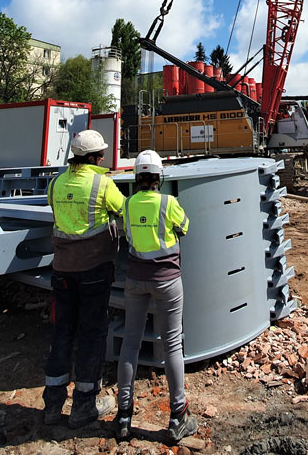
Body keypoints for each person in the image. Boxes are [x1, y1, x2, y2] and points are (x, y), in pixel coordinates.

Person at [43, 129, 124, 428]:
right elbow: (123, 210)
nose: (103, 158)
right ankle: (84, 407)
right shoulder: (102, 183)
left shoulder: (56, 183)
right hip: (93, 270)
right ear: (92, 157)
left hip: (62, 270)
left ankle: (52, 405)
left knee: (62, 331)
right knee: (91, 333)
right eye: (100, 154)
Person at [115, 150, 197, 444]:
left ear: (137, 177)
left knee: (130, 343)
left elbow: (125, 233)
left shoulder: (126, 204)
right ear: (159, 177)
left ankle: (124, 415)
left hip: (135, 279)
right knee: (173, 343)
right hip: (167, 281)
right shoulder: (168, 203)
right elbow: (184, 227)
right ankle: (178, 417)